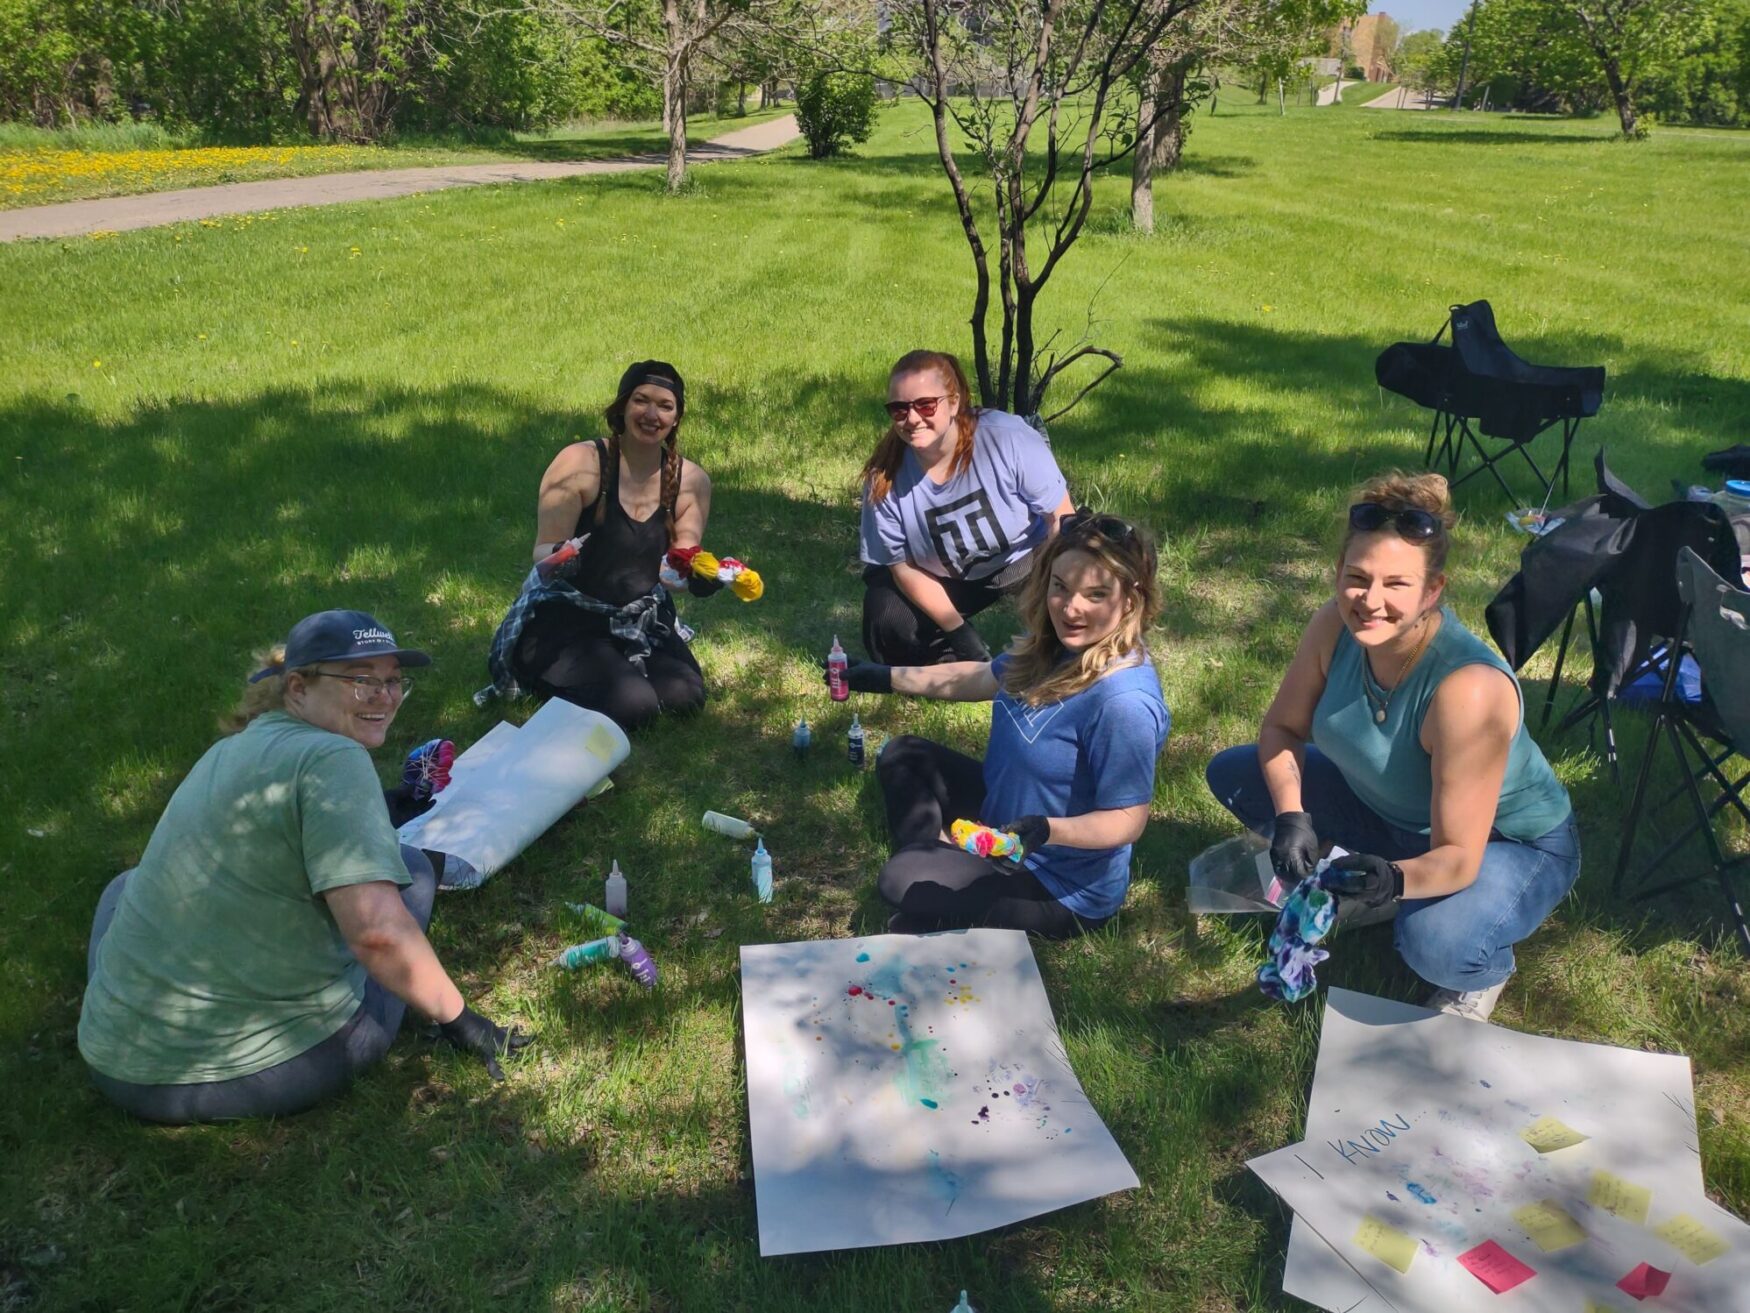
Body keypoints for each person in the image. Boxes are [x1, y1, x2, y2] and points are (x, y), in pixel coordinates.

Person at [78, 610, 530, 1124]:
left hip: (113, 1054)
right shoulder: (336, 760)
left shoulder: (240, 745)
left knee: (124, 887)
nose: (384, 697)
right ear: (297, 687)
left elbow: (289, 821)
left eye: (393, 682)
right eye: (361, 682)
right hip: (228, 1075)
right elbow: (378, 935)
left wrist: (386, 807)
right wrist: (464, 1023)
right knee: (414, 876)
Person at [1205, 472, 1580, 1021]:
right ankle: (1368, 887)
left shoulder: (1467, 690)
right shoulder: (1333, 626)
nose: (1370, 601)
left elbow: (1458, 855)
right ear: (1337, 574)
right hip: (1392, 812)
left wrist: (1396, 880)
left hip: (1508, 844)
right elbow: (1281, 731)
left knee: (1433, 942)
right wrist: (1291, 817)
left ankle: (1480, 970)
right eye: (1356, 578)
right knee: (1237, 773)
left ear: (1433, 591)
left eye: (1396, 585)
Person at [837, 512, 1169, 937]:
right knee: (904, 755)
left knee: (899, 878)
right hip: (1007, 823)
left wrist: (1046, 832)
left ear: (1130, 600)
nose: (1071, 609)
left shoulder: (1124, 702)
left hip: (1057, 884)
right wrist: (886, 678)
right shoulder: (1058, 646)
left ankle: (939, 879)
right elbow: (983, 677)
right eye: (1060, 587)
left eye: (1096, 595)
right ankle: (945, 868)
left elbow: (1126, 819)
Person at [490, 360, 713, 730]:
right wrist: (561, 558)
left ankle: (618, 670)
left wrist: (703, 577)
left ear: (677, 417)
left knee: (684, 697)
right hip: (566, 620)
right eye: (641, 400)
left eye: (665, 406)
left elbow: (679, 565)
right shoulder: (580, 463)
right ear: (622, 406)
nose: (651, 414)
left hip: (642, 619)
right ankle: (534, 670)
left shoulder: (690, 480)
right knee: (634, 708)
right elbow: (542, 550)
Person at [859, 349, 1075, 667]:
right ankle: (965, 669)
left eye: (925, 405)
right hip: (943, 576)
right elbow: (902, 567)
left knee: (1091, 557)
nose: (913, 418)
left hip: (1027, 557)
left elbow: (1061, 518)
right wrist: (959, 632)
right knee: (887, 626)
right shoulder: (884, 478)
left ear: (955, 402)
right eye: (899, 409)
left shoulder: (1007, 438)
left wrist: (1061, 590)